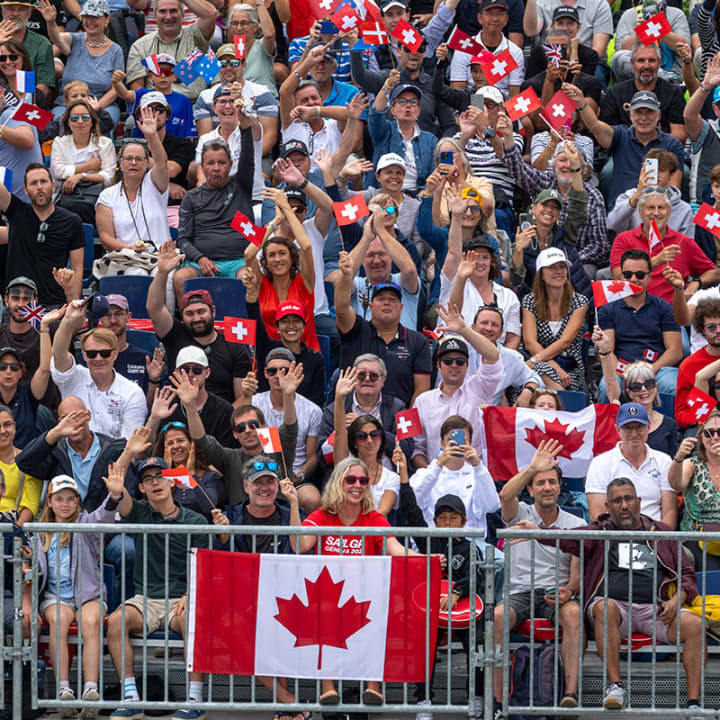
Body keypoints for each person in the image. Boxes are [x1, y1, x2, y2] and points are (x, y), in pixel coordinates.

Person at [549, 478, 702, 716]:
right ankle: (616, 687)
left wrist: (677, 599)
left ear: (639, 501)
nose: (624, 505)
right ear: (607, 506)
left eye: (629, 499)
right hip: (615, 610)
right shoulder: (600, 532)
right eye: (617, 500)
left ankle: (694, 704)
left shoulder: (661, 532)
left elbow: (687, 575)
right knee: (605, 607)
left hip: (655, 610)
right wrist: (534, 531)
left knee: (695, 625)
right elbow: (565, 538)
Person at [287, 455, 421, 705]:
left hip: (364, 594)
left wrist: (424, 559)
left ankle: (373, 686)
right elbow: (300, 544)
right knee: (323, 611)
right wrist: (294, 505)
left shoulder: (373, 518)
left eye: (363, 480)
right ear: (339, 482)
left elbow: (393, 547)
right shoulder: (323, 515)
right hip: (329, 595)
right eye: (351, 480)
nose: (357, 485)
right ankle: (327, 687)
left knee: (377, 611)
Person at [106, 456, 209, 720]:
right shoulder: (140, 512)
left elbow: (204, 567)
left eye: (160, 476)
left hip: (181, 599)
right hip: (146, 600)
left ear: (172, 481)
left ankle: (195, 700)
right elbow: (121, 497)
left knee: (192, 621)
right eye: (148, 479)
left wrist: (189, 594)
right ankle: (131, 698)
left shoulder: (196, 521)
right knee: (116, 622)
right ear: (141, 488)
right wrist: (118, 485)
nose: (155, 482)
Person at [494, 439, 583, 713]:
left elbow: (576, 576)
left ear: (559, 487)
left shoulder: (577, 524)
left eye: (552, 482)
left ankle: (570, 696)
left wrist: (569, 591)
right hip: (518, 593)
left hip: (555, 593)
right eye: (540, 483)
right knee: (497, 617)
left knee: (574, 614)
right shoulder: (520, 512)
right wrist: (532, 467)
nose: (547, 487)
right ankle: (497, 702)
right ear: (531, 490)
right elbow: (505, 496)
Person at [35, 471, 129, 715]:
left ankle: (90, 690)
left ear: (77, 501)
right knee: (58, 621)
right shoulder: (39, 532)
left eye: (70, 499)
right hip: (56, 597)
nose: (65, 504)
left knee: (91, 622)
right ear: (49, 502)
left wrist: (114, 496)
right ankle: (63, 690)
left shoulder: (85, 524)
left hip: (88, 595)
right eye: (59, 499)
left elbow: (103, 517)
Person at [399, 486, 486, 718]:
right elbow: (412, 513)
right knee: (421, 644)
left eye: (453, 518)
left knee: (479, 644)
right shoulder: (430, 542)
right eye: (442, 518)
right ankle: (424, 700)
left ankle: (476, 696)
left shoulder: (470, 548)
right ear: (436, 521)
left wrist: (457, 592)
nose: (447, 522)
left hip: (464, 608)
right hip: (432, 610)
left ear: (463, 521)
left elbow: (475, 576)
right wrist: (404, 477)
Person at [146, 242, 252, 405]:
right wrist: (162, 272)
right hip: (179, 413)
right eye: (189, 313)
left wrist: (220, 417)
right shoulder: (175, 335)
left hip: (223, 415)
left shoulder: (234, 345)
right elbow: (154, 308)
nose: (196, 318)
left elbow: (242, 398)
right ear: (182, 315)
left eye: (201, 311)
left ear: (213, 311)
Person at [184, 366, 300, 506]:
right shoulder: (229, 457)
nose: (247, 430)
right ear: (235, 434)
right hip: (240, 518)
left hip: (281, 516)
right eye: (240, 428)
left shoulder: (275, 448)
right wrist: (190, 406)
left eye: (253, 425)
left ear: (263, 427)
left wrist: (288, 396)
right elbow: (201, 441)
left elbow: (290, 428)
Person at [501, 128, 608, 274]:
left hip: (576, 262)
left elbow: (599, 246)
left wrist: (565, 261)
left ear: (582, 168)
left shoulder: (594, 197)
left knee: (586, 271)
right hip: (537, 257)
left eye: (573, 162)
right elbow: (517, 170)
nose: (567, 165)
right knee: (511, 273)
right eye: (562, 160)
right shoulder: (544, 182)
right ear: (554, 164)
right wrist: (508, 136)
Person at [562, 84, 685, 208]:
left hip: (655, 208)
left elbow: (674, 189)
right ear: (631, 115)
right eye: (638, 112)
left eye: (649, 112)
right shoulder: (621, 135)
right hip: (622, 208)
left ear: (658, 115)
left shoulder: (672, 144)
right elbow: (594, 125)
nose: (643, 118)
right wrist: (581, 102)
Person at [499, 132, 591, 298]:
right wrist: (518, 250)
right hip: (536, 302)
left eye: (555, 208)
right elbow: (515, 280)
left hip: (569, 297)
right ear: (533, 208)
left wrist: (575, 168)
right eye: (545, 205)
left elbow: (578, 205)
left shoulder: (565, 233)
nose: (549, 210)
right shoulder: (523, 238)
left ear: (559, 213)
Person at [335, 252, 431, 408]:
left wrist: (405, 419)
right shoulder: (355, 330)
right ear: (371, 306)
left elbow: (422, 390)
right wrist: (346, 277)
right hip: (354, 415)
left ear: (401, 308)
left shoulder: (418, 342)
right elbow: (341, 308)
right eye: (381, 299)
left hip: (399, 417)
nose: (387, 302)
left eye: (392, 299)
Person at [412, 305, 502, 468]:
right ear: (438, 365)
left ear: (467, 365)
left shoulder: (480, 387)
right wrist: (433, 475)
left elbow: (493, 356)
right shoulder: (422, 401)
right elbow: (417, 450)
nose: (454, 365)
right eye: (448, 361)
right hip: (436, 476)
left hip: (474, 475)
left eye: (460, 361)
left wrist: (463, 329)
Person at [174, 130, 255, 298]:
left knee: (247, 278)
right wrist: (201, 258)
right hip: (201, 262)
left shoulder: (241, 185)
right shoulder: (191, 198)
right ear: (202, 166)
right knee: (181, 278)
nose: (216, 168)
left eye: (222, 163)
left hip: (239, 262)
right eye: (210, 163)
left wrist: (246, 128)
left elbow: (248, 158)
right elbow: (183, 239)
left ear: (231, 165)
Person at [50, 300, 147, 440]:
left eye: (105, 353)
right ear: (84, 355)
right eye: (91, 353)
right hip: (70, 452)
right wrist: (68, 320)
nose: (98, 358)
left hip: (115, 454)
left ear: (115, 354)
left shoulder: (132, 393)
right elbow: (59, 354)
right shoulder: (73, 378)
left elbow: (129, 443)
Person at [596, 249, 683, 399]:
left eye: (640, 275)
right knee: (606, 388)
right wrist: (626, 374)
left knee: (672, 385)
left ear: (649, 277)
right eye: (628, 274)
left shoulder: (664, 307)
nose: (633, 279)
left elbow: (675, 351)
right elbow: (606, 350)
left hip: (657, 368)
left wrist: (648, 372)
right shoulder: (607, 310)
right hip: (621, 370)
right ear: (621, 276)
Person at [244, 186, 321, 352]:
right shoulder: (261, 285)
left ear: (292, 258)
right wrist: (276, 221)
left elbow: (306, 247)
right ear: (266, 262)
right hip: (271, 359)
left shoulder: (304, 282)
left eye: (282, 254)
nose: (277, 259)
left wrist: (286, 208)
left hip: (306, 357)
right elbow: (248, 254)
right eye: (271, 255)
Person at [609, 187, 719, 304]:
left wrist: (696, 283)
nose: (656, 213)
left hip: (672, 311)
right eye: (650, 208)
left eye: (661, 208)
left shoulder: (683, 242)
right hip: (633, 309)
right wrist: (656, 261)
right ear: (640, 213)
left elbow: (714, 273)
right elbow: (619, 277)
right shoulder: (623, 240)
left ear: (669, 212)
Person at [439, 201, 520, 349]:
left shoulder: (509, 297)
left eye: (485, 257)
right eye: (474, 257)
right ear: (464, 259)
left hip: (495, 357)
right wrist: (456, 217)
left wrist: (500, 360)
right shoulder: (454, 281)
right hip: (457, 353)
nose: (480, 262)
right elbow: (453, 252)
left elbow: (513, 338)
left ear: (492, 262)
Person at [0, 164, 84, 307]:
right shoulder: (17, 211)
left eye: (43, 181)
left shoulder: (72, 221)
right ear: (26, 190)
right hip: (19, 304)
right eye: (33, 183)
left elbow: (77, 269)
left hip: (55, 305)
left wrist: (73, 306)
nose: (39, 187)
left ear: (53, 186)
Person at [585, 402, 676, 527]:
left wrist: (661, 537)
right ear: (618, 429)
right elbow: (597, 516)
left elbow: (669, 512)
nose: (634, 433)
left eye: (639, 427)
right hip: (615, 533)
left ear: (649, 427)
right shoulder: (600, 463)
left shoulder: (664, 461)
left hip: (654, 533)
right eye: (628, 428)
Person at [95, 103, 170, 254]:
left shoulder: (155, 184)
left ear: (147, 163)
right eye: (128, 158)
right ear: (120, 162)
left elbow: (162, 163)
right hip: (126, 257)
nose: (134, 163)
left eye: (139, 159)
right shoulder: (107, 196)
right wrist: (131, 249)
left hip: (160, 258)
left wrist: (152, 136)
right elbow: (106, 237)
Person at [317, 353, 413, 467]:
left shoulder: (400, 406)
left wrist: (367, 424)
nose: (367, 379)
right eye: (361, 375)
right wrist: (341, 432)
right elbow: (321, 457)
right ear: (353, 378)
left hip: (387, 473)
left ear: (383, 380)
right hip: (346, 474)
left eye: (373, 376)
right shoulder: (334, 408)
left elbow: (409, 449)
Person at [39, 0, 124, 126]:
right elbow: (56, 38)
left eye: (95, 17)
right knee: (58, 124)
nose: (90, 21)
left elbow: (116, 89)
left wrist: (96, 107)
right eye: (86, 17)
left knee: (103, 123)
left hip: (101, 104)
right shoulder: (74, 39)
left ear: (106, 20)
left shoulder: (116, 51)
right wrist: (51, 22)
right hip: (67, 103)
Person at [244, 347, 322, 484]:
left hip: (295, 474)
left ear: (294, 373)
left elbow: (312, 457)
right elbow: (243, 439)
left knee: (311, 496)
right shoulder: (254, 402)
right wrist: (246, 397)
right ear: (265, 373)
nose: (278, 375)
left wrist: (300, 476)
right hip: (260, 473)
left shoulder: (312, 410)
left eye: (284, 371)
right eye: (272, 371)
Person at [410, 414, 500, 533]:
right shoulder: (425, 473)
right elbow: (414, 502)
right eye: (451, 441)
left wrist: (478, 465)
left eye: (462, 441)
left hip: (471, 541)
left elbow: (492, 505)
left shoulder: (478, 474)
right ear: (442, 443)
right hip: (434, 540)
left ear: (470, 443)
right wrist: (439, 464)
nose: (457, 445)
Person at [332, 367, 400, 515]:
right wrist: (339, 398)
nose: (369, 440)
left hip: (374, 528)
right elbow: (339, 432)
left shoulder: (391, 477)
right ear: (354, 442)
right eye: (362, 436)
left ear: (382, 439)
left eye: (375, 435)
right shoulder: (345, 466)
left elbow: (381, 514)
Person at [521, 248, 589, 392]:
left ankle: (558, 400)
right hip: (538, 364)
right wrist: (554, 367)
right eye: (552, 267)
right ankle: (560, 400)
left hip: (569, 368)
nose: (558, 271)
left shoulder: (580, 301)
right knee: (540, 369)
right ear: (541, 274)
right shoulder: (529, 300)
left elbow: (565, 341)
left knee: (540, 369)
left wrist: (537, 360)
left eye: (562, 266)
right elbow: (530, 342)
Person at [593, 345, 679, 458]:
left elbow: (673, 463)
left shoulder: (669, 424)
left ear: (656, 387)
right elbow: (610, 383)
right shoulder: (620, 419)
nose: (643, 389)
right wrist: (605, 352)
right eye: (636, 387)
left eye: (649, 384)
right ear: (628, 392)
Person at [193, 43, 278, 154]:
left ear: (244, 65)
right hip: (217, 157)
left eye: (234, 63)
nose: (228, 68)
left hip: (256, 155)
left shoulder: (262, 93)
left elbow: (269, 136)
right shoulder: (205, 97)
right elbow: (205, 139)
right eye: (223, 64)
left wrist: (247, 160)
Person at [125, 0, 217, 100]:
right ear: (155, 15)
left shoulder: (196, 36)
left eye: (173, 11)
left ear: (182, 14)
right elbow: (137, 89)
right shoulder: (140, 46)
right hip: (155, 105)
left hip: (194, 105)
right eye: (162, 11)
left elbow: (211, 14)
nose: (168, 16)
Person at [147, 348, 237, 449]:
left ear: (207, 372)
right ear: (177, 372)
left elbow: (226, 455)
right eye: (184, 370)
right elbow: (143, 452)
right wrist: (154, 419)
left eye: (197, 370)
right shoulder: (166, 403)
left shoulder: (223, 410)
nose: (190, 374)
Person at [193, 84, 264, 208]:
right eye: (222, 102)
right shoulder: (206, 139)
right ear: (214, 108)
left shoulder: (250, 128)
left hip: (253, 199)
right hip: (218, 201)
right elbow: (202, 176)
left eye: (232, 101)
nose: (227, 106)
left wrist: (243, 102)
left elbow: (254, 126)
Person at [600, 42, 687, 142]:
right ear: (632, 63)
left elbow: (680, 136)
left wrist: (652, 138)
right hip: (624, 148)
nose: (646, 66)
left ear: (659, 63)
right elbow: (607, 135)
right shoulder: (616, 92)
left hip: (662, 148)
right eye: (641, 61)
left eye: (652, 60)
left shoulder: (673, 92)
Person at [0, 307, 61, 448]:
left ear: (21, 373)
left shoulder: (28, 394)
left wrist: (44, 327)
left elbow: (45, 369)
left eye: (14, 367)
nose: (8, 371)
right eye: (2, 367)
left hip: (26, 459)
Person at [50, 99, 117, 225]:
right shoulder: (59, 142)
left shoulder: (105, 143)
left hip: (97, 198)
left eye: (85, 117)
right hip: (66, 196)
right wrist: (88, 166)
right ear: (68, 122)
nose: (80, 122)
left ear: (92, 121)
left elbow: (108, 176)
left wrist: (81, 176)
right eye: (74, 118)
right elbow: (58, 172)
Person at [670, 410, 720, 569]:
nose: (715, 437)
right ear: (701, 438)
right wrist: (679, 458)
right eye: (709, 433)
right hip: (695, 537)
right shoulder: (692, 464)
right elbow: (676, 484)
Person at [368, 80, 437, 194]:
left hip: (418, 196)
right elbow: (376, 113)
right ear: (392, 110)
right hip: (384, 195)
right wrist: (387, 87)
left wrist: (425, 191)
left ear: (419, 111)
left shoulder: (430, 140)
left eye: (413, 102)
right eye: (402, 101)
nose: (408, 106)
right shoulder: (384, 131)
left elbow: (434, 171)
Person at [607, 149, 694, 240]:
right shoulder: (629, 196)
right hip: (633, 248)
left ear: (670, 174)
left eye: (662, 170)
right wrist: (636, 196)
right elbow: (612, 225)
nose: (656, 175)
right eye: (652, 170)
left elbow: (686, 244)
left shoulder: (684, 209)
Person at [467, 304, 543, 406]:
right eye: (484, 323)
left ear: (501, 332)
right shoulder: (460, 350)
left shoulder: (511, 357)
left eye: (494, 325)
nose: (489, 328)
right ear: (473, 327)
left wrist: (528, 391)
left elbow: (536, 379)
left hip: (489, 413)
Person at [449, 0, 525, 99]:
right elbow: (457, 91)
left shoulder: (515, 52)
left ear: (506, 19)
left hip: (502, 103)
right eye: (489, 14)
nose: (495, 19)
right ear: (479, 18)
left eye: (500, 14)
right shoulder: (465, 47)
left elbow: (515, 95)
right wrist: (479, 106)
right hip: (472, 100)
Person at [151, 419, 225, 520]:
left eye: (180, 441)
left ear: (191, 444)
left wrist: (192, 475)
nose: (176, 446)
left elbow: (209, 507)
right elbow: (156, 509)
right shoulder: (155, 478)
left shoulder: (209, 476)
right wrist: (167, 473)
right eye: (170, 443)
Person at [96, 294, 163, 396]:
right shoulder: (91, 358)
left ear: (128, 317)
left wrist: (154, 380)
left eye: (118, 314)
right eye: (108, 315)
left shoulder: (145, 359)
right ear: (100, 318)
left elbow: (150, 404)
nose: (113, 320)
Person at [612, 0, 691, 84]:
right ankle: (664, 77)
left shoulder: (676, 14)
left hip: (673, 73)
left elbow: (684, 47)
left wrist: (659, 27)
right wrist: (640, 33)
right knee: (618, 57)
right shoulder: (629, 15)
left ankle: (669, 79)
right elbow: (620, 50)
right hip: (636, 75)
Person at [675, 299, 720, 430]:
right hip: (703, 426)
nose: (718, 330)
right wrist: (698, 416)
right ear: (702, 330)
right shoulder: (689, 365)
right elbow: (681, 414)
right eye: (711, 327)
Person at [684, 54, 720, 205]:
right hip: (703, 207)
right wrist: (705, 86)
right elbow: (689, 116)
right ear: (715, 109)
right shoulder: (706, 130)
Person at [0, 0, 55, 95]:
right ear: (2, 11)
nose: (15, 14)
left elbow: (44, 86)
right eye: (11, 9)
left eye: (21, 9)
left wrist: (24, 101)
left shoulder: (42, 44)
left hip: (27, 98)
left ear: (29, 13)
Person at [224, 2, 277, 98]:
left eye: (244, 23)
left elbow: (269, 35)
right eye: (235, 23)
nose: (239, 28)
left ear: (255, 26)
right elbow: (217, 84)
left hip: (263, 102)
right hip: (236, 103)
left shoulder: (262, 46)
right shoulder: (227, 53)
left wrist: (259, 3)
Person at [0, 404, 42, 523]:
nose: (2, 431)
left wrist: (15, 530)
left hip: (15, 525)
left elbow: (31, 504)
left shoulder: (28, 460)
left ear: (15, 426)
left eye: (7, 425)